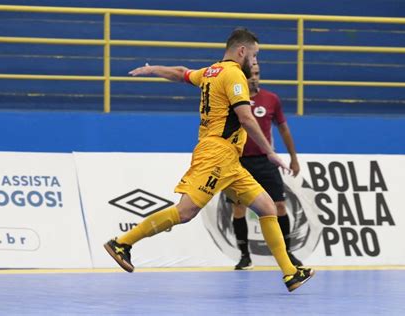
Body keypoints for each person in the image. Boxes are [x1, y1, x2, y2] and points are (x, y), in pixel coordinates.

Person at [103, 27, 314, 292]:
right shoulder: (235, 75)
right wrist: (270, 151)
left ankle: (290, 273)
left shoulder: (211, 71)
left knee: (268, 208)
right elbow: (246, 118)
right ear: (242, 51)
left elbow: (182, 73)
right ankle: (122, 243)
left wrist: (154, 68)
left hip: (230, 160)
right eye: (255, 55)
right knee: (185, 212)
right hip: (216, 154)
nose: (256, 61)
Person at [229, 63, 303, 270]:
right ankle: (244, 256)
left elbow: (284, 130)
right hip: (239, 161)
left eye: (257, 74)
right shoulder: (235, 99)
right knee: (238, 207)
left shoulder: (271, 99)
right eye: (251, 74)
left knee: (279, 205)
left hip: (265, 160)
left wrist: (293, 158)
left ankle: (287, 254)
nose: (254, 77)